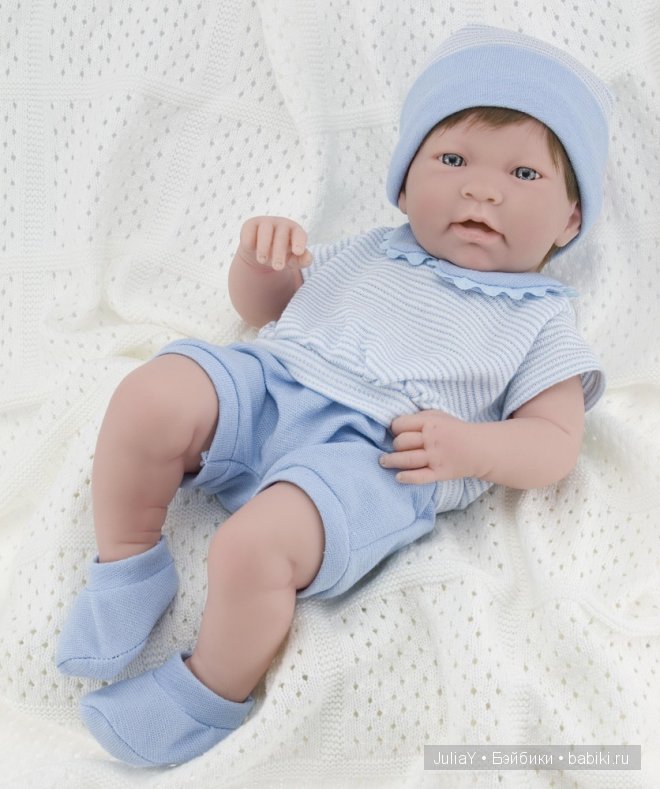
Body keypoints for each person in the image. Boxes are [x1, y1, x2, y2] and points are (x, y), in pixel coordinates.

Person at [55, 25, 613, 766]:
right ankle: (128, 566)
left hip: (375, 457)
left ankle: (205, 693)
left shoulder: (541, 318)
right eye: (452, 160)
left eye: (525, 173)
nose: (483, 188)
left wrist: (472, 446)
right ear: (404, 184)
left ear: (570, 221)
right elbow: (269, 309)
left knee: (252, 548)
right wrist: (263, 264)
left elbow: (555, 443)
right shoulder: (374, 248)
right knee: (151, 394)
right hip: (273, 384)